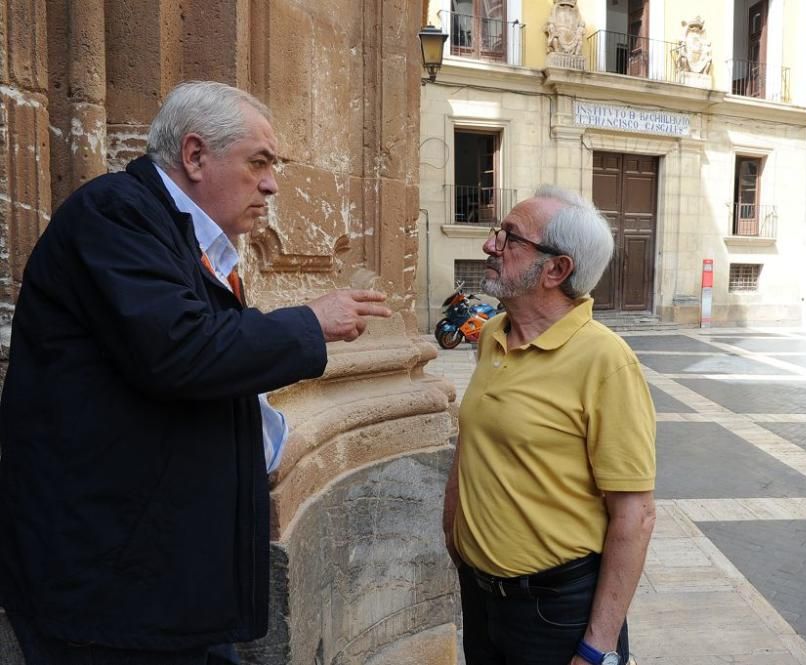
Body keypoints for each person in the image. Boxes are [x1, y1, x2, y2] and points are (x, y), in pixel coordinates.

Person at [0, 81, 392, 664]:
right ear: (194, 156)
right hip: (109, 589)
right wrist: (309, 322)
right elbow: (180, 350)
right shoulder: (115, 214)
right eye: (258, 163)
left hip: (164, 578)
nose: (272, 183)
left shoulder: (179, 233)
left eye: (274, 165)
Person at [442, 185, 656, 665]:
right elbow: (477, 441)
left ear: (556, 269)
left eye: (510, 238)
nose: (490, 245)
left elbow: (635, 515)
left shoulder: (607, 361)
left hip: (557, 612)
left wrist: (597, 648)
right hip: (482, 595)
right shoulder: (494, 332)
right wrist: (453, 531)